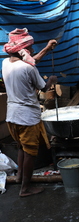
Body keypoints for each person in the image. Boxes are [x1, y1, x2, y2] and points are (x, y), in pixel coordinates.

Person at [2, 28, 58, 197]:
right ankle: (25, 188)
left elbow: (31, 61)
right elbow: (43, 87)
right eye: (30, 48)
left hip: (11, 116)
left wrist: (47, 48)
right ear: (22, 50)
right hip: (27, 117)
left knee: (21, 148)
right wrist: (52, 80)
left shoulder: (6, 63)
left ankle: (20, 178)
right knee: (30, 153)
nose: (32, 51)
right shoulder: (28, 69)